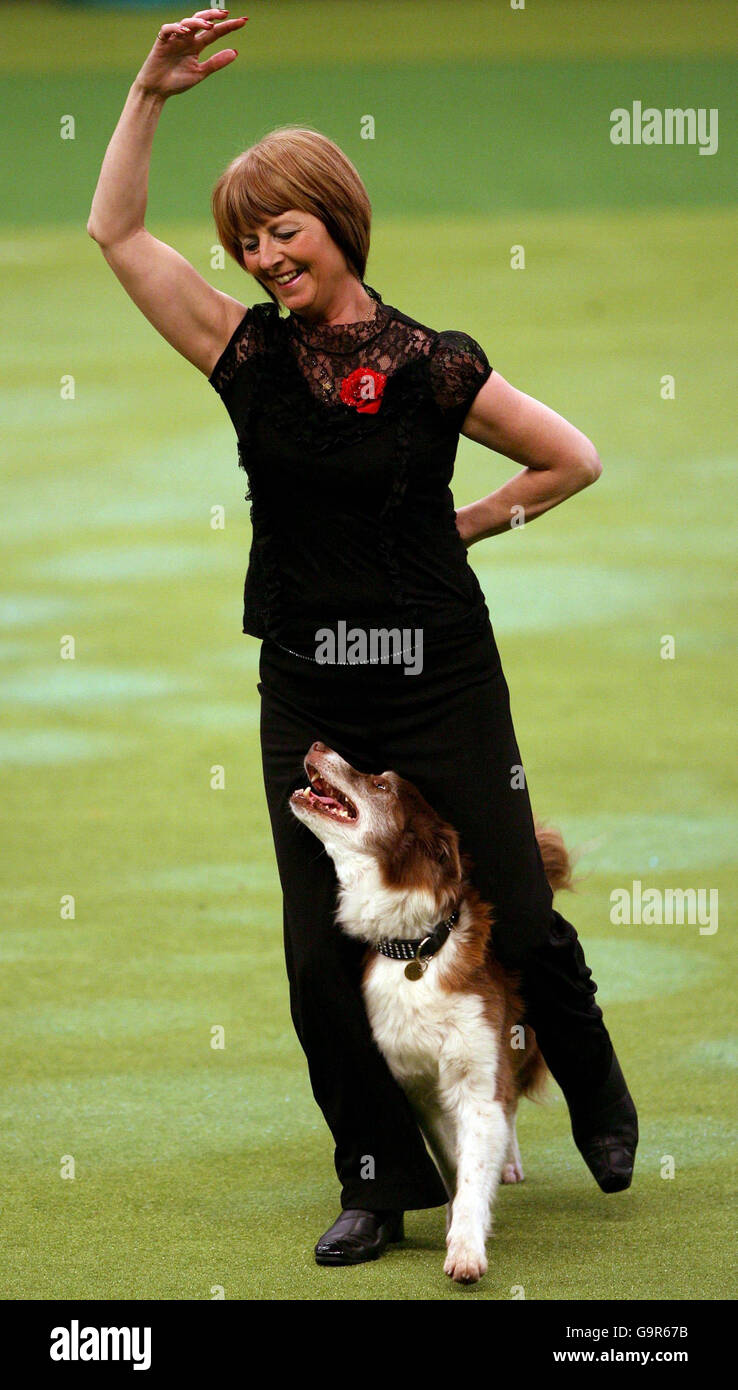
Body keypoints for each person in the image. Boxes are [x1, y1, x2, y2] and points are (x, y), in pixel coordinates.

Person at [87, 9, 638, 1268]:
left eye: (283, 228)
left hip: (444, 677)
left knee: (519, 907)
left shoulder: (435, 365)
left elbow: (574, 457)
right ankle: (381, 1181)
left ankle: (595, 1088)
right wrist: (149, 88)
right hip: (311, 688)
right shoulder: (244, 357)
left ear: (338, 221)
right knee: (316, 954)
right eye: (247, 239)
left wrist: (474, 523)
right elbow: (117, 234)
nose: (265, 255)